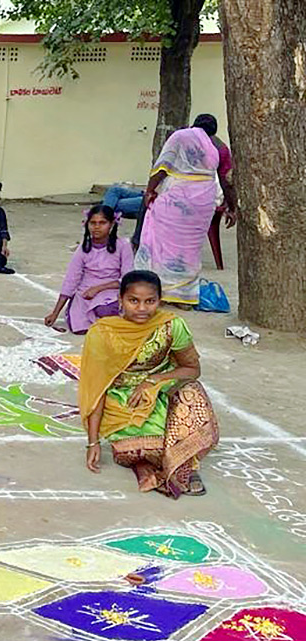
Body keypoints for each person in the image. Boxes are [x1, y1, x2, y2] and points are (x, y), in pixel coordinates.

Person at [80, 270, 219, 499]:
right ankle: (170, 462)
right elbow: (97, 388)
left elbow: (193, 370)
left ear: (160, 301)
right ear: (120, 300)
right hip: (122, 404)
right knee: (137, 450)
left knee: (193, 392)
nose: (142, 308)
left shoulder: (172, 326)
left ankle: (184, 467)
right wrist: (93, 442)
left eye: (150, 301)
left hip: (161, 392)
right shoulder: (103, 333)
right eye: (134, 301)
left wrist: (153, 381)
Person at [134, 118, 226, 307]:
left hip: (178, 200)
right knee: (189, 250)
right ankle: (184, 296)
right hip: (203, 203)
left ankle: (160, 290)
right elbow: (227, 181)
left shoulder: (181, 137)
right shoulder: (216, 147)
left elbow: (162, 167)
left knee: (162, 244)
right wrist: (232, 208)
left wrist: (150, 190)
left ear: (194, 125)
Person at [45, 205, 134, 334]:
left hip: (111, 291)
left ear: (112, 224)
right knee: (80, 329)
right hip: (85, 294)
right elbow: (71, 280)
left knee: (105, 310)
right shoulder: (83, 248)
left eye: (102, 223)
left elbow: (127, 279)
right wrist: (55, 313)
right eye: (93, 223)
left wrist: (98, 288)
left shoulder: (123, 246)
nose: (96, 227)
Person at [196, 113, 238, 270]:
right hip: (209, 200)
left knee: (145, 204)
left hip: (188, 200)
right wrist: (231, 208)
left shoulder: (185, 142)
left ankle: (136, 243)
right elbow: (226, 181)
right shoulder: (221, 148)